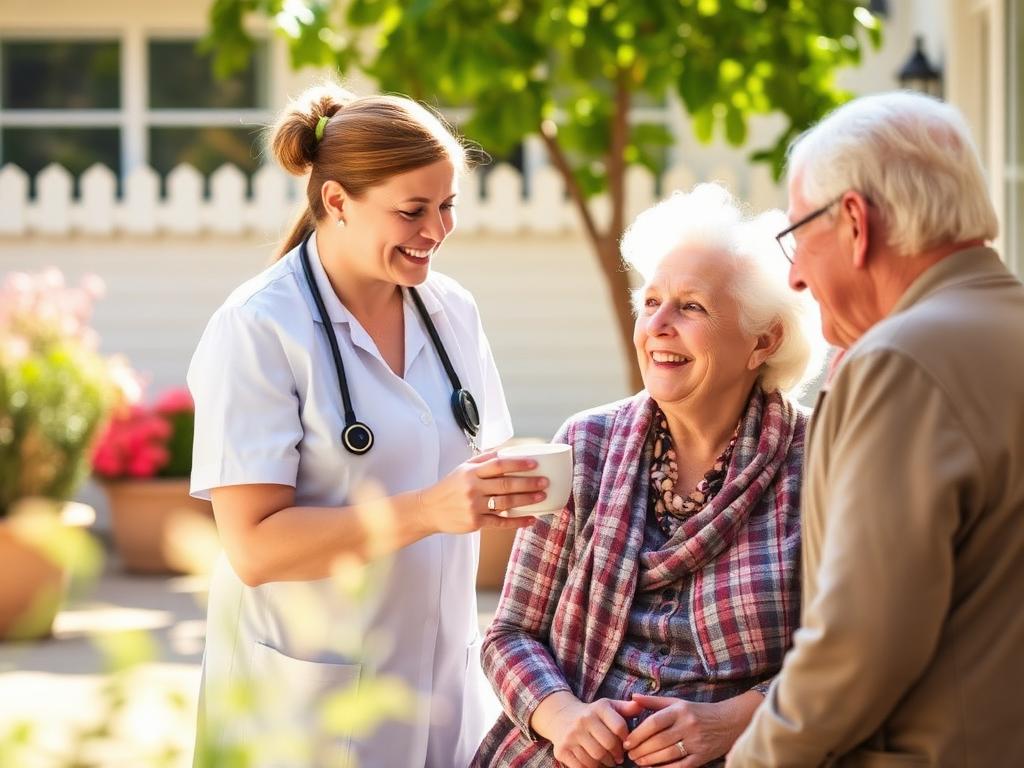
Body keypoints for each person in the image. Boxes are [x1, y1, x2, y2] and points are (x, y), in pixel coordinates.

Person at [187, 84, 545, 768]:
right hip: (306, 702)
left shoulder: (452, 311)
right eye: (412, 211)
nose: (436, 231)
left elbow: (473, 462)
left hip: (442, 683)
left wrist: (512, 488)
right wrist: (429, 510)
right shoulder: (260, 328)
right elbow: (255, 548)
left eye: (447, 207)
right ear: (336, 202)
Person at [473, 183, 825, 768]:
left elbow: (855, 656)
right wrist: (565, 717)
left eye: (692, 307)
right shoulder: (586, 445)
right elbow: (509, 633)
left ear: (764, 340)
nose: (658, 324)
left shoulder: (818, 459)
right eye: (651, 302)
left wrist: (732, 723)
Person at [727, 92, 1024, 766]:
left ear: (855, 223)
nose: (796, 275)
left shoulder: (898, 363)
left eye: (798, 239)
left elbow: (861, 641)